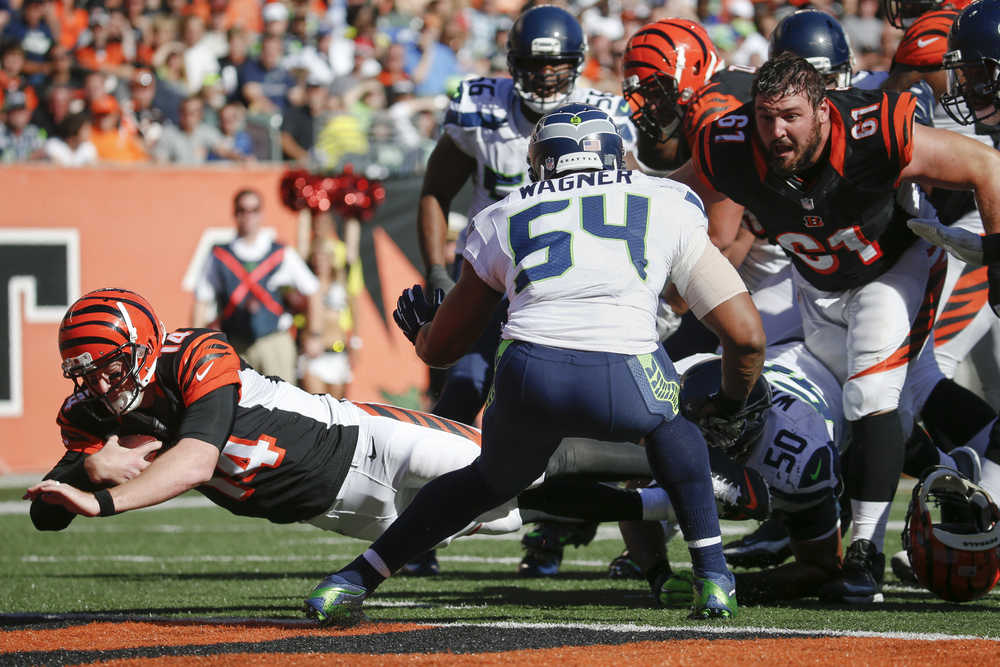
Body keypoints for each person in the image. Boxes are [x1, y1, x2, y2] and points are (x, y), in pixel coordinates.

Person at [303, 103, 766, 626]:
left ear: (540, 161)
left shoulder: (504, 212)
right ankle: (714, 576)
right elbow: (747, 339)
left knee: (488, 481)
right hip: (628, 375)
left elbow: (443, 351)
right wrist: (730, 404)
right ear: (615, 157)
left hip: (528, 375)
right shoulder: (667, 202)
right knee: (674, 430)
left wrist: (422, 332)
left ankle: (351, 580)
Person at [677, 52, 1000, 604]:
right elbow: (675, 196)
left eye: (791, 117)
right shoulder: (729, 144)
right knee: (804, 419)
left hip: (892, 267)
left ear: (823, 111)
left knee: (871, 392)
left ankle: (865, 558)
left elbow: (984, 165)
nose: (776, 132)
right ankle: (942, 480)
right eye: (765, 116)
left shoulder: (873, 130)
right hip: (817, 285)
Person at [25, 288, 523, 550]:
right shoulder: (91, 415)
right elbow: (45, 515)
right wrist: (86, 470)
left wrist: (103, 500)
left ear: (143, 348)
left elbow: (197, 461)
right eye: (86, 375)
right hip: (339, 512)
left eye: (110, 367)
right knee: (514, 515)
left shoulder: (194, 352)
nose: (100, 385)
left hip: (365, 440)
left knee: (524, 469)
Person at [415, 4, 637, 575]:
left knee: (583, 411)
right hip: (492, 281)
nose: (544, 78)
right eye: (535, 67)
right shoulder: (481, 110)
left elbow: (638, 198)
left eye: (558, 66)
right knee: (461, 391)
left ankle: (552, 534)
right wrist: (439, 275)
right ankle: (417, 526)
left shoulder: (603, 117)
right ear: (514, 65)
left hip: (570, 288)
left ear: (578, 65)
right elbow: (436, 190)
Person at [191, 187, 320, 383]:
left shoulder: (280, 252)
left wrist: (315, 334)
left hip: (274, 340)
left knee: (283, 406)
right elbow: (201, 299)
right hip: (236, 344)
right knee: (240, 406)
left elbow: (313, 290)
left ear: (262, 214)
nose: (248, 216)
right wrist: (196, 344)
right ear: (235, 214)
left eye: (254, 210)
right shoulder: (219, 256)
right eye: (242, 210)